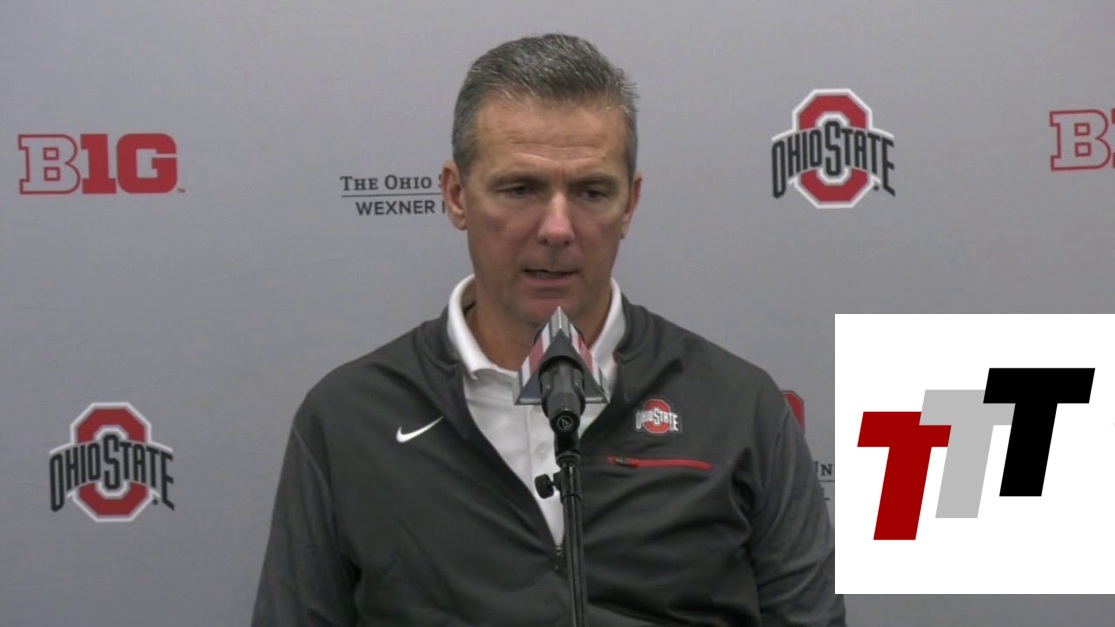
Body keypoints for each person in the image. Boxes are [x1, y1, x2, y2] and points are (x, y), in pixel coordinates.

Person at [252, 33, 845, 626]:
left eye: (591, 192)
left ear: (629, 205)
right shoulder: (349, 417)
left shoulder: (738, 406)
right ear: (456, 196)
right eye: (520, 190)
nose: (557, 229)